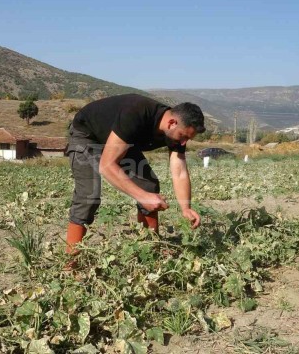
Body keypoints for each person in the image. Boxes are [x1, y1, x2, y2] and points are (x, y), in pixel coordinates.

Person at [65, 93, 206, 256]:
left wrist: (186, 208)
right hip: (88, 134)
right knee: (88, 196)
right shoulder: (137, 112)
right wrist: (142, 197)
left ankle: (149, 251)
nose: (184, 143)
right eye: (183, 136)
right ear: (172, 123)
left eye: (188, 139)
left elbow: (179, 170)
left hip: (122, 139)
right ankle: (70, 263)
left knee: (149, 185)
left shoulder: (174, 135)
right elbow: (107, 165)